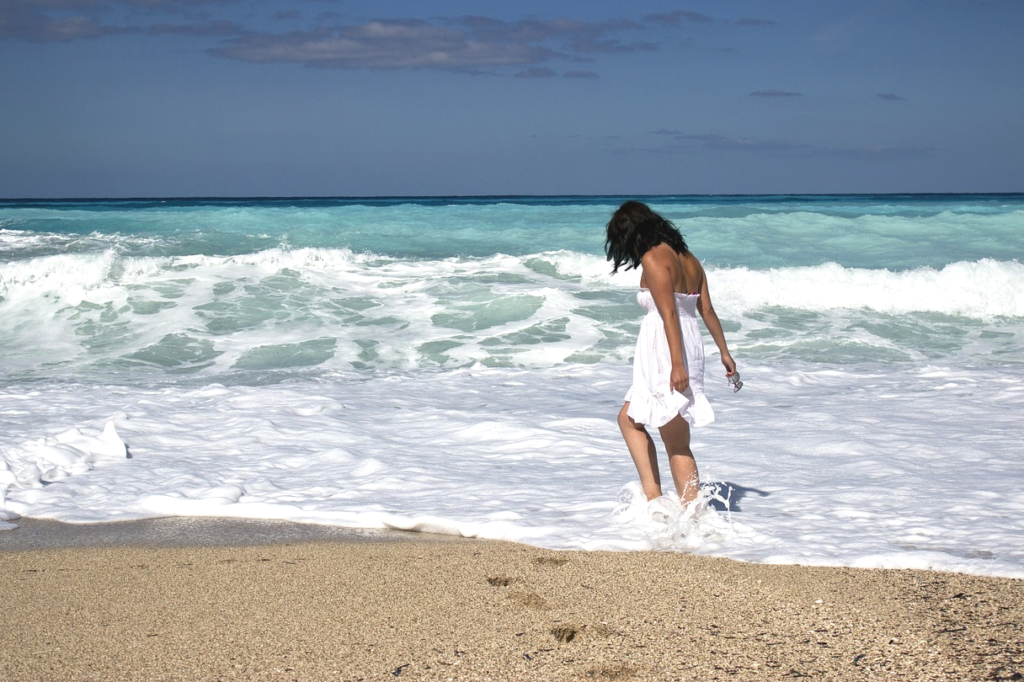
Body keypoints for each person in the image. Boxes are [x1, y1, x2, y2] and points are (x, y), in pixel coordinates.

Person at [605, 201, 737, 506]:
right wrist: (724, 352)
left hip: (667, 350)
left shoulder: (653, 258)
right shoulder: (690, 260)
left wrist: (677, 365)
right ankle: (657, 502)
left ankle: (690, 514)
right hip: (688, 344)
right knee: (631, 419)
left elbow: (669, 316)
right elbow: (707, 310)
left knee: (675, 440)